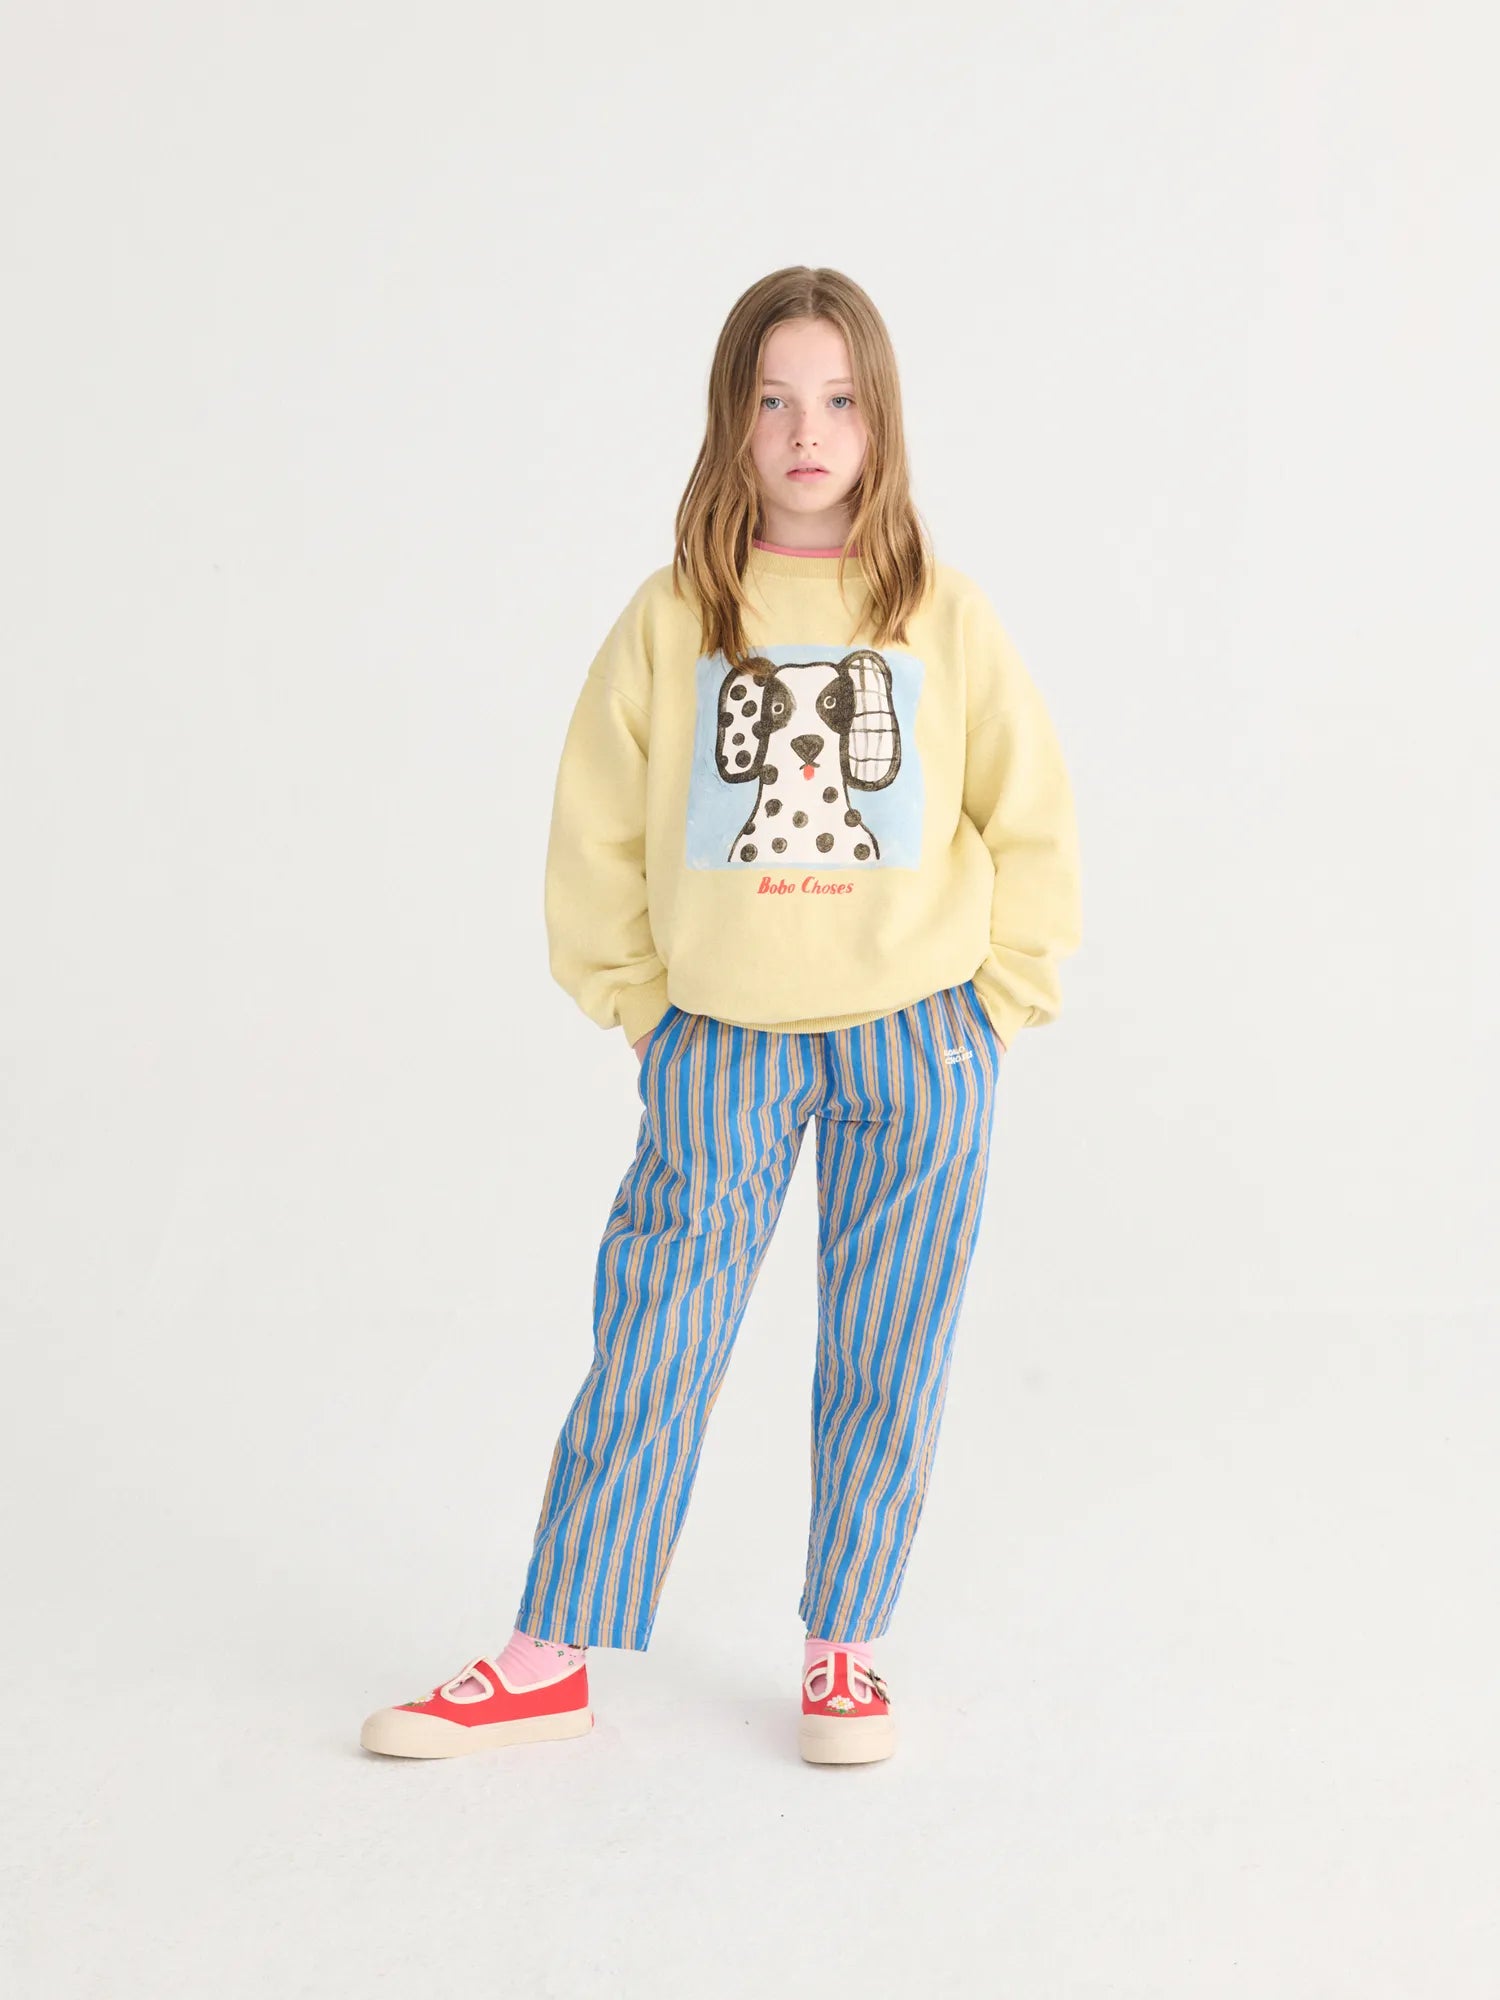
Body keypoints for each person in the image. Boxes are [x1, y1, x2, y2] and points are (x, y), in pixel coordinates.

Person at [360, 265, 1082, 1767]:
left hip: (921, 1038)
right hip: (722, 1044)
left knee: (890, 1348)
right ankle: (552, 1649)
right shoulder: (678, 614)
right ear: (731, 422)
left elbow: (1030, 813)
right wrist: (638, 1003)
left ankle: (844, 1650)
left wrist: (999, 1003)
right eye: (774, 400)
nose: (807, 431)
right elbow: (596, 821)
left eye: (839, 400)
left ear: (880, 421)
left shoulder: (940, 613)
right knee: (657, 1333)